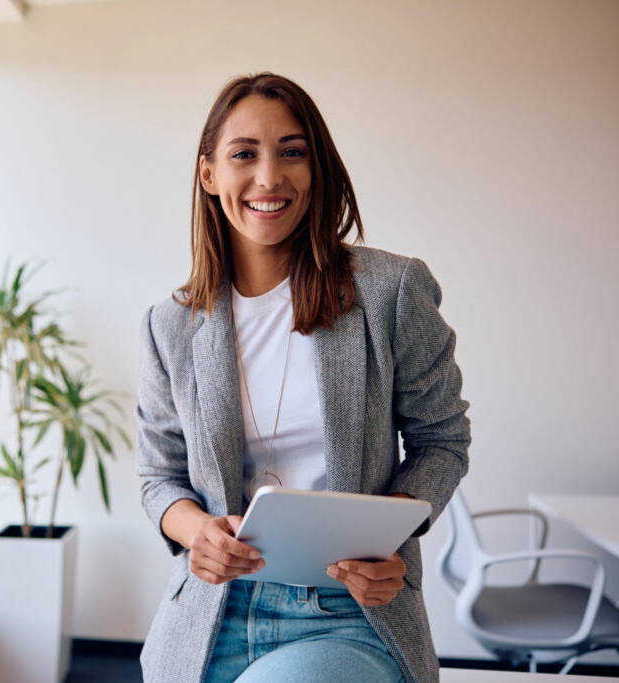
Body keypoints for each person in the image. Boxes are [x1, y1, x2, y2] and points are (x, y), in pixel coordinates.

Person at [135, 72, 471, 683]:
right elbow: (159, 476)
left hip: (348, 614)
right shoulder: (171, 326)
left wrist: (388, 537)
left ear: (317, 171)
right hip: (213, 617)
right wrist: (197, 532)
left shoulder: (387, 291)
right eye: (245, 154)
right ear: (209, 174)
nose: (269, 177)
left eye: (293, 152)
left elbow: (442, 440)